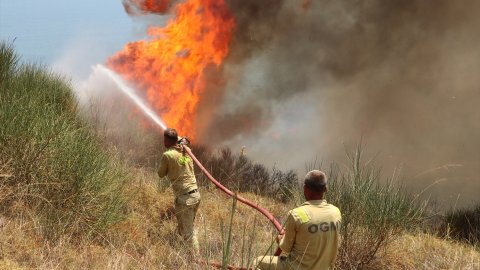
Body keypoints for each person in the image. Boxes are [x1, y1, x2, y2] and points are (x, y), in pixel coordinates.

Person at [255, 170, 341, 270]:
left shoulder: (296, 214)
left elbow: (286, 248)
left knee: (258, 262)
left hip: (296, 268)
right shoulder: (335, 213)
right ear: (325, 189)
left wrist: (279, 240)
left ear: (305, 188)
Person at [158, 128, 201, 252]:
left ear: (166, 140)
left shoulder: (167, 155)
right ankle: (181, 252)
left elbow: (160, 174)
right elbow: (184, 140)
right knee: (185, 227)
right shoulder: (187, 151)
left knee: (188, 233)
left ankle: (196, 260)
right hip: (195, 196)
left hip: (185, 199)